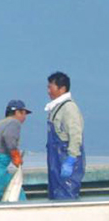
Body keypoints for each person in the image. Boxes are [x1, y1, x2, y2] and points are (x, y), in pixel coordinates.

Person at [45, 72, 85, 200]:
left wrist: (71, 158)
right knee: (55, 195)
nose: (48, 91)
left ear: (62, 89)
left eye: (51, 87)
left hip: (64, 159)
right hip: (55, 162)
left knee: (67, 195)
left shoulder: (69, 108)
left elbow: (75, 134)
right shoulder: (56, 108)